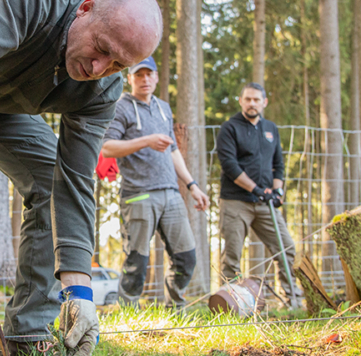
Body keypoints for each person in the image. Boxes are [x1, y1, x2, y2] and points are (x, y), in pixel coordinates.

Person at [0, 0, 163, 356]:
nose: (98, 69)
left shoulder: (102, 88)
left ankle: (27, 332)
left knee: (48, 177)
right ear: (85, 9)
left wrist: (80, 289)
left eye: (117, 64)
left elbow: (75, 180)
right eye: (100, 47)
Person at [101, 57, 209, 308]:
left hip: (171, 194)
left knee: (186, 257)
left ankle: (176, 307)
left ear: (157, 77)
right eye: (139, 75)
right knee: (136, 261)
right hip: (138, 195)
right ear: (130, 79)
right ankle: (128, 311)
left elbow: (173, 152)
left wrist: (192, 186)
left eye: (149, 74)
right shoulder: (122, 107)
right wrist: (146, 141)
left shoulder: (164, 108)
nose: (145, 79)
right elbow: (107, 148)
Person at [216, 82, 299, 302]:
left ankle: (293, 300)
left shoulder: (271, 128)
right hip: (236, 201)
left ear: (264, 102)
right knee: (232, 256)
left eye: (256, 99)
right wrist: (257, 189)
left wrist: (278, 189)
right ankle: (231, 304)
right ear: (241, 101)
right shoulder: (230, 128)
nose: (252, 103)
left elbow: (278, 163)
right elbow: (230, 166)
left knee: (287, 248)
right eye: (248, 99)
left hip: (266, 203)